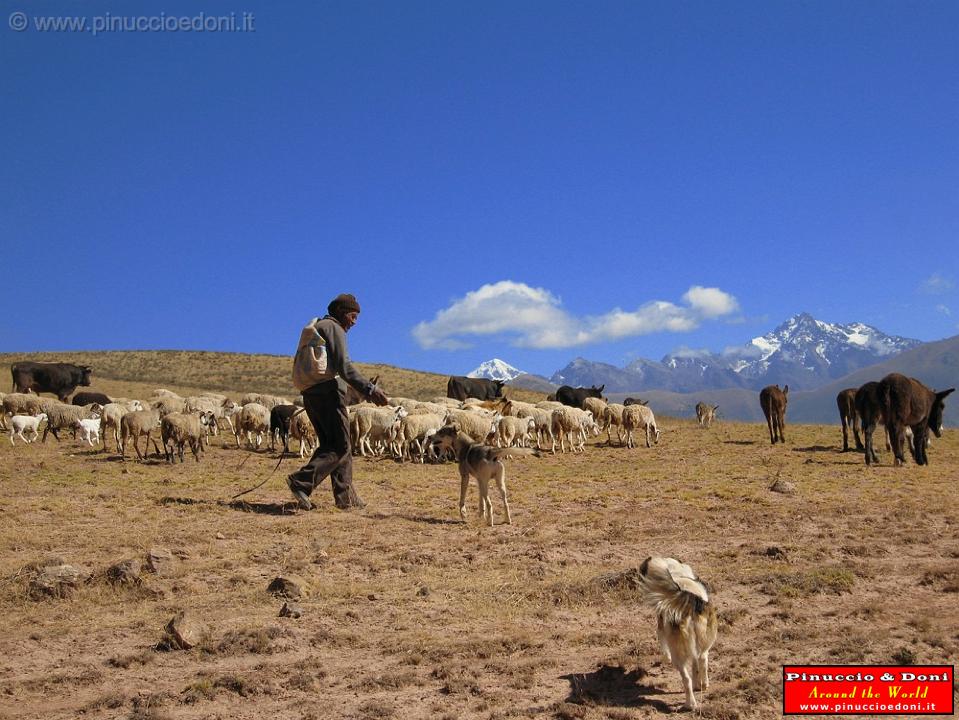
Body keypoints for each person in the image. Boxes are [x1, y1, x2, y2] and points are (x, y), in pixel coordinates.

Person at [287, 293, 389, 511]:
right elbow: (344, 366)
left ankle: (346, 498)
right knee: (340, 445)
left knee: (335, 444)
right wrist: (370, 389)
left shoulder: (319, 327)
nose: (354, 322)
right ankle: (301, 482)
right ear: (342, 313)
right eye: (353, 316)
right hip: (328, 393)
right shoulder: (334, 329)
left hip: (311, 393)